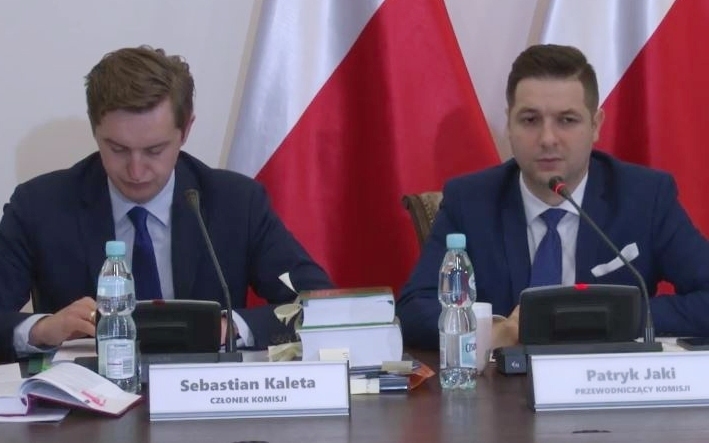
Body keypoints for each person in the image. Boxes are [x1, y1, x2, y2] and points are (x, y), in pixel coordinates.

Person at [0, 46, 332, 363]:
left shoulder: (236, 203)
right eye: (117, 149)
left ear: (185, 130)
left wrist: (229, 327)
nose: (136, 170)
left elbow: (318, 304)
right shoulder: (39, 206)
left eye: (154, 150)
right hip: (84, 397)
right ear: (94, 130)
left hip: (203, 395)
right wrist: (42, 329)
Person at [396, 43, 709, 350]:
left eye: (567, 120)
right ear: (509, 124)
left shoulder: (644, 198)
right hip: (504, 382)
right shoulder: (470, 201)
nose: (547, 139)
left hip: (606, 378)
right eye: (530, 120)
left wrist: (611, 316)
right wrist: (497, 331)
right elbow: (414, 310)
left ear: (595, 125)